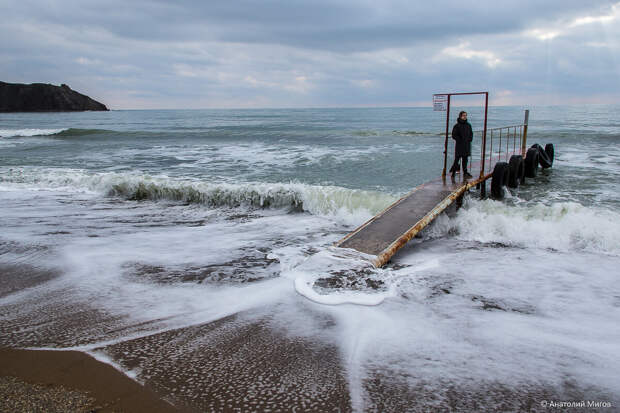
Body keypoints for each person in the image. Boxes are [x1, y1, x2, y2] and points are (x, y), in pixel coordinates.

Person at [449, 111, 473, 179]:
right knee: (457, 160)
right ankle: (453, 173)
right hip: (459, 145)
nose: (465, 117)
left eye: (466, 115)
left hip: (467, 145)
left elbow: (471, 133)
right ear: (460, 116)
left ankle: (465, 173)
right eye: (463, 115)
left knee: (465, 160)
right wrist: (460, 140)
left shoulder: (468, 125)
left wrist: (470, 139)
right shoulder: (457, 126)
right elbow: (454, 135)